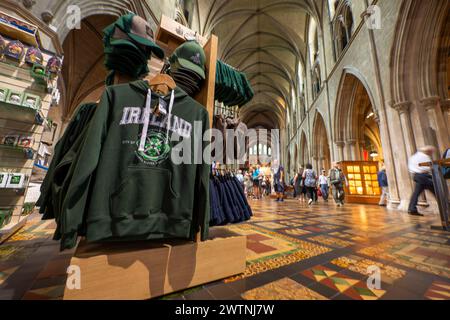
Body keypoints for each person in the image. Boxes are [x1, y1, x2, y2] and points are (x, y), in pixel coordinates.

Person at [407, 146, 436, 216]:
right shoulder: (424, 157)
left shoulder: (412, 157)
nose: (431, 154)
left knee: (416, 193)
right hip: (424, 176)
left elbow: (410, 168)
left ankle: (412, 208)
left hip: (417, 176)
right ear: (428, 151)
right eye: (431, 152)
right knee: (437, 191)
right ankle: (446, 206)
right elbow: (428, 167)